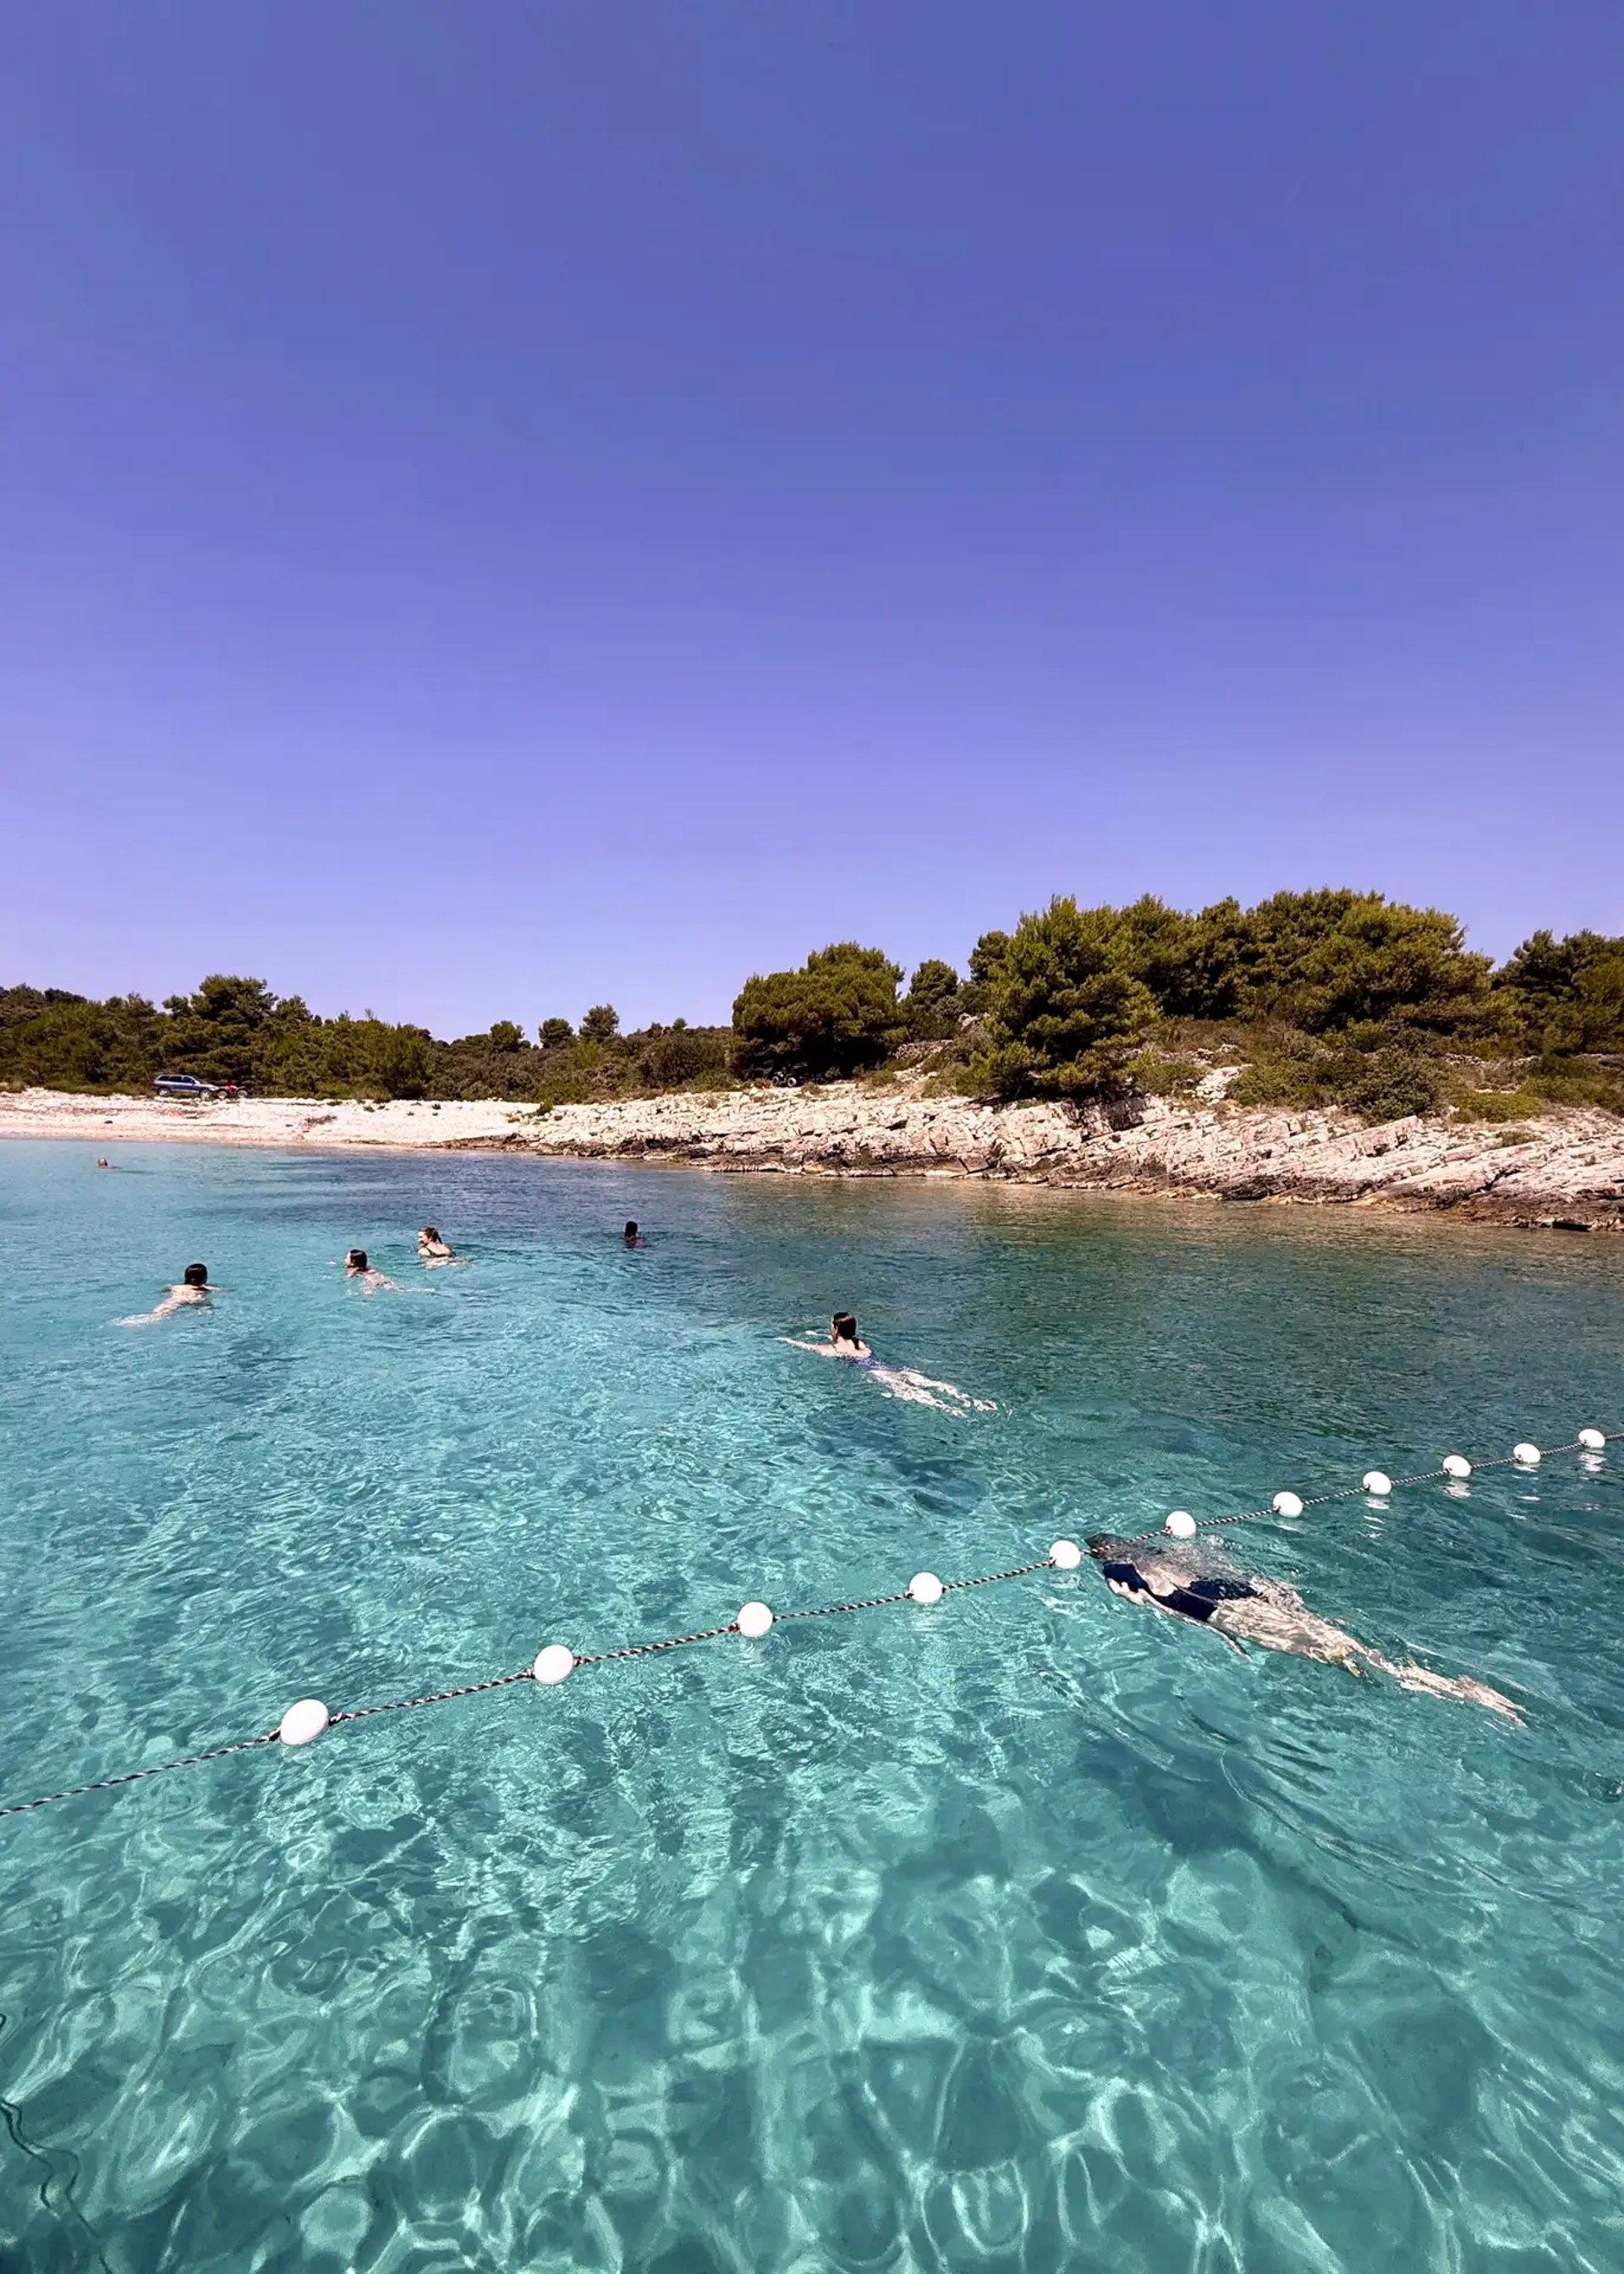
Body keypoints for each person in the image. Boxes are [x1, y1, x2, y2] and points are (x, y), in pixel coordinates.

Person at [1085, 1533, 1523, 1721]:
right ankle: (1444, 1683)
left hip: (1228, 1612)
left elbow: (1166, 1609)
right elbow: (1224, 1566)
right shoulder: (1162, 1551)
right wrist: (1282, 1595)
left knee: (1346, 1656)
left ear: (1101, 1556)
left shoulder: (1120, 1573)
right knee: (1344, 1645)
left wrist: (1224, 1638)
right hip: (1246, 1594)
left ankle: (1446, 1688)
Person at [783, 1315, 995, 1412]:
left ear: (836, 1330)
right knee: (929, 1383)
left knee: (914, 1394)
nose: (830, 1329)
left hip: (876, 1373)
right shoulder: (858, 1342)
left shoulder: (835, 1349)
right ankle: (972, 1400)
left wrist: (786, 1340)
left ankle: (948, 1408)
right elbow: (852, 1346)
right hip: (887, 1366)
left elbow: (809, 1347)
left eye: (831, 1326)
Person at [127, 1262, 217, 1322]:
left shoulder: (175, 1286)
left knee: (160, 1312)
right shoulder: (204, 1288)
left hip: (176, 1299)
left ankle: (147, 1319)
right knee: (208, 1307)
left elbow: (166, 1289)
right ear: (205, 1278)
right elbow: (218, 1290)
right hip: (193, 1298)